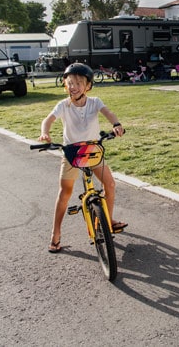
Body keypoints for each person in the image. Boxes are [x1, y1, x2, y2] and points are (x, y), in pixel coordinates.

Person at [38, 63, 127, 253]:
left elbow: (108, 113)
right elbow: (48, 120)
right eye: (70, 83)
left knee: (110, 185)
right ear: (65, 85)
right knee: (65, 192)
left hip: (92, 150)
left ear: (88, 85)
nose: (74, 86)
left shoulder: (95, 102)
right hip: (71, 153)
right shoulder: (63, 105)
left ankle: (107, 220)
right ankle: (55, 234)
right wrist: (45, 134)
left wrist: (116, 124)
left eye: (78, 82)